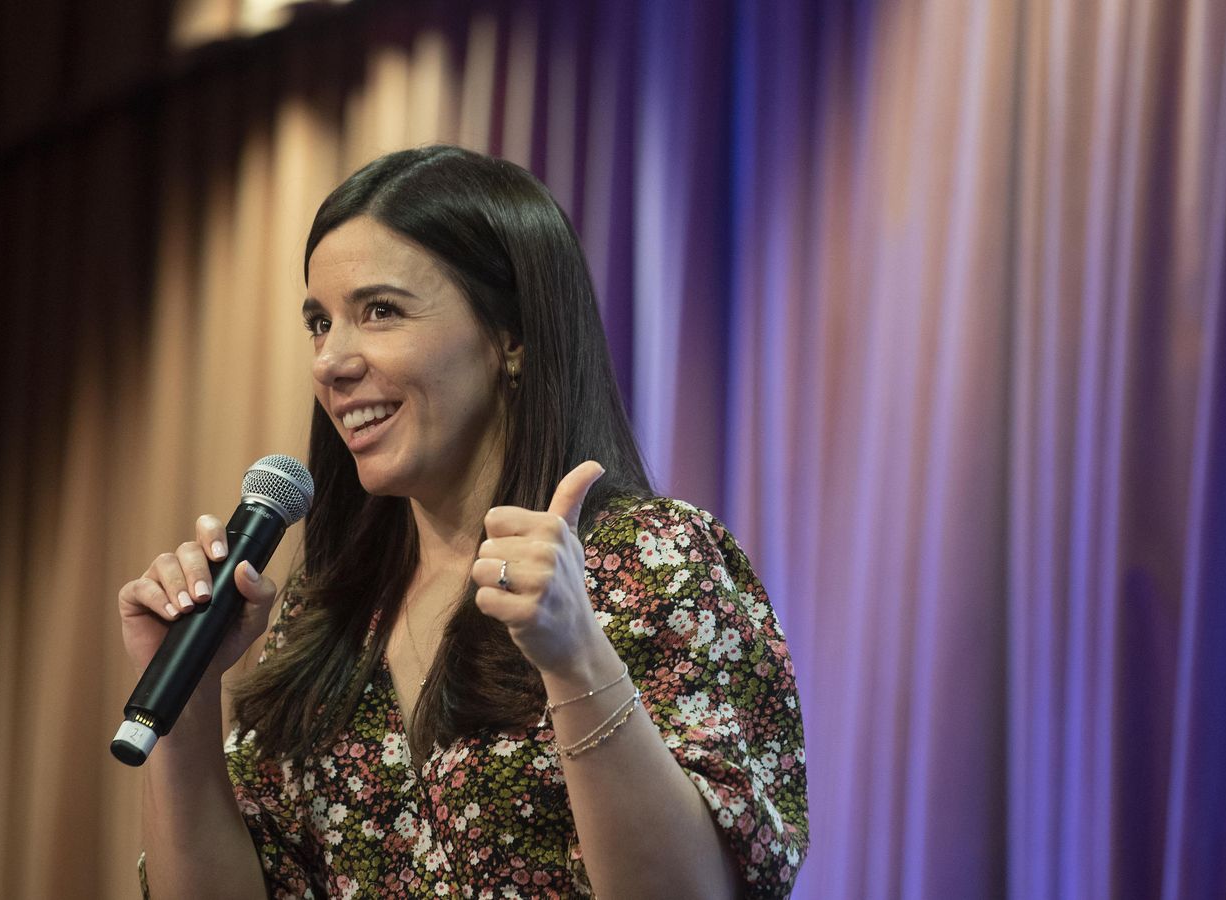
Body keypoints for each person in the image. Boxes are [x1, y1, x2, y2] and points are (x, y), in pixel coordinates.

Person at [119, 145, 808, 899]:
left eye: (379, 311)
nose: (329, 361)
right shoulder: (330, 617)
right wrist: (183, 709)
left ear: (509, 335)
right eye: (320, 322)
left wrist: (575, 655)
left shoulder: (655, 563)